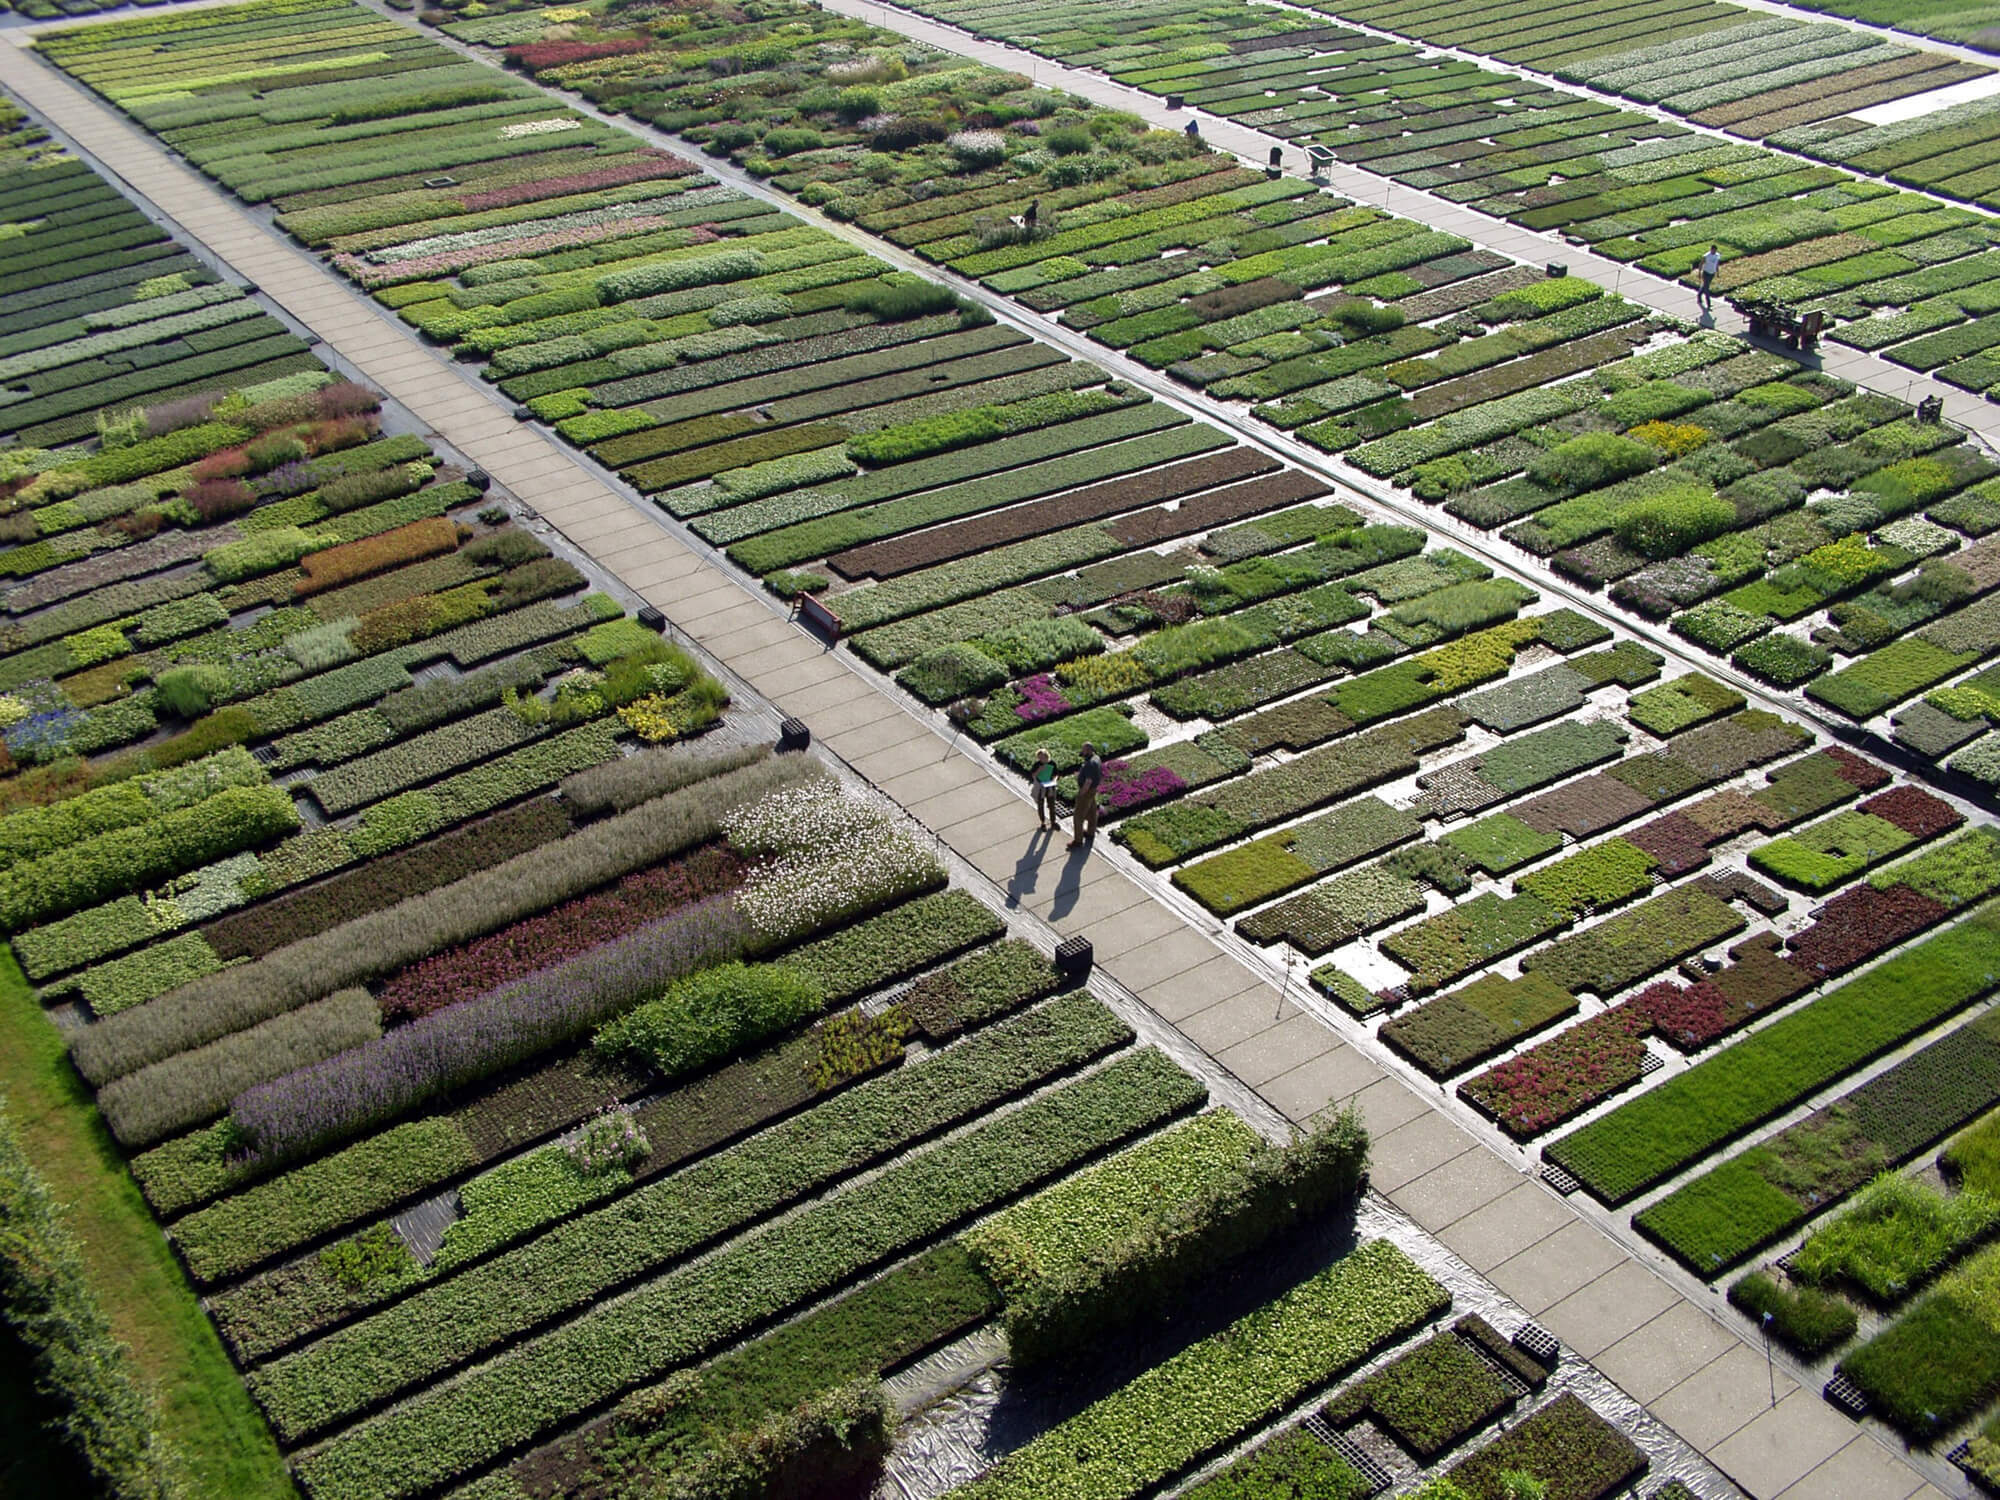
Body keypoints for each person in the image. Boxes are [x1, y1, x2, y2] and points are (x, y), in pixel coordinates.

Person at [1069, 742, 1103, 849]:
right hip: (1093, 790)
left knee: (1078, 816)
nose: (1082, 752)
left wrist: (1081, 794)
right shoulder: (1096, 758)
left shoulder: (1090, 764)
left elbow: (1088, 782)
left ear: (1088, 750)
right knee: (1092, 811)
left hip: (1087, 791)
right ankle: (1090, 832)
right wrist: (1080, 775)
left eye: (1083, 750)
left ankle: (1078, 841)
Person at [1030, 747, 1058, 831]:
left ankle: (1053, 822)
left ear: (1046, 756)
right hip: (1040, 787)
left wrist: (1054, 780)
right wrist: (1039, 770)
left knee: (1052, 805)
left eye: (1042, 757)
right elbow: (1033, 775)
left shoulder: (1052, 763)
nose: (1041, 759)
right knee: (1040, 805)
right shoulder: (1037, 765)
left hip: (1050, 786)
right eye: (1039, 758)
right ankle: (1043, 822)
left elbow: (1056, 774)